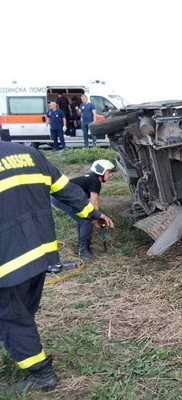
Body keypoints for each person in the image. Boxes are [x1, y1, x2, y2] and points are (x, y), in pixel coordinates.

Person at [0, 141, 114, 393]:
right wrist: (94, 215)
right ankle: (20, 344)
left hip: (7, 260)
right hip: (41, 253)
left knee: (11, 318)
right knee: (21, 312)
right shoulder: (28, 154)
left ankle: (41, 374)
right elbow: (66, 190)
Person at [51, 159, 115, 259]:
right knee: (86, 221)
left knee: (84, 218)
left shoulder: (92, 179)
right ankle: (84, 251)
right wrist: (94, 218)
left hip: (59, 197)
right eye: (109, 172)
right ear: (101, 171)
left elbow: (95, 202)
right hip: (61, 199)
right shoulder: (95, 181)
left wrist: (97, 217)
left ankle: (82, 246)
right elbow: (92, 203)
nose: (111, 175)